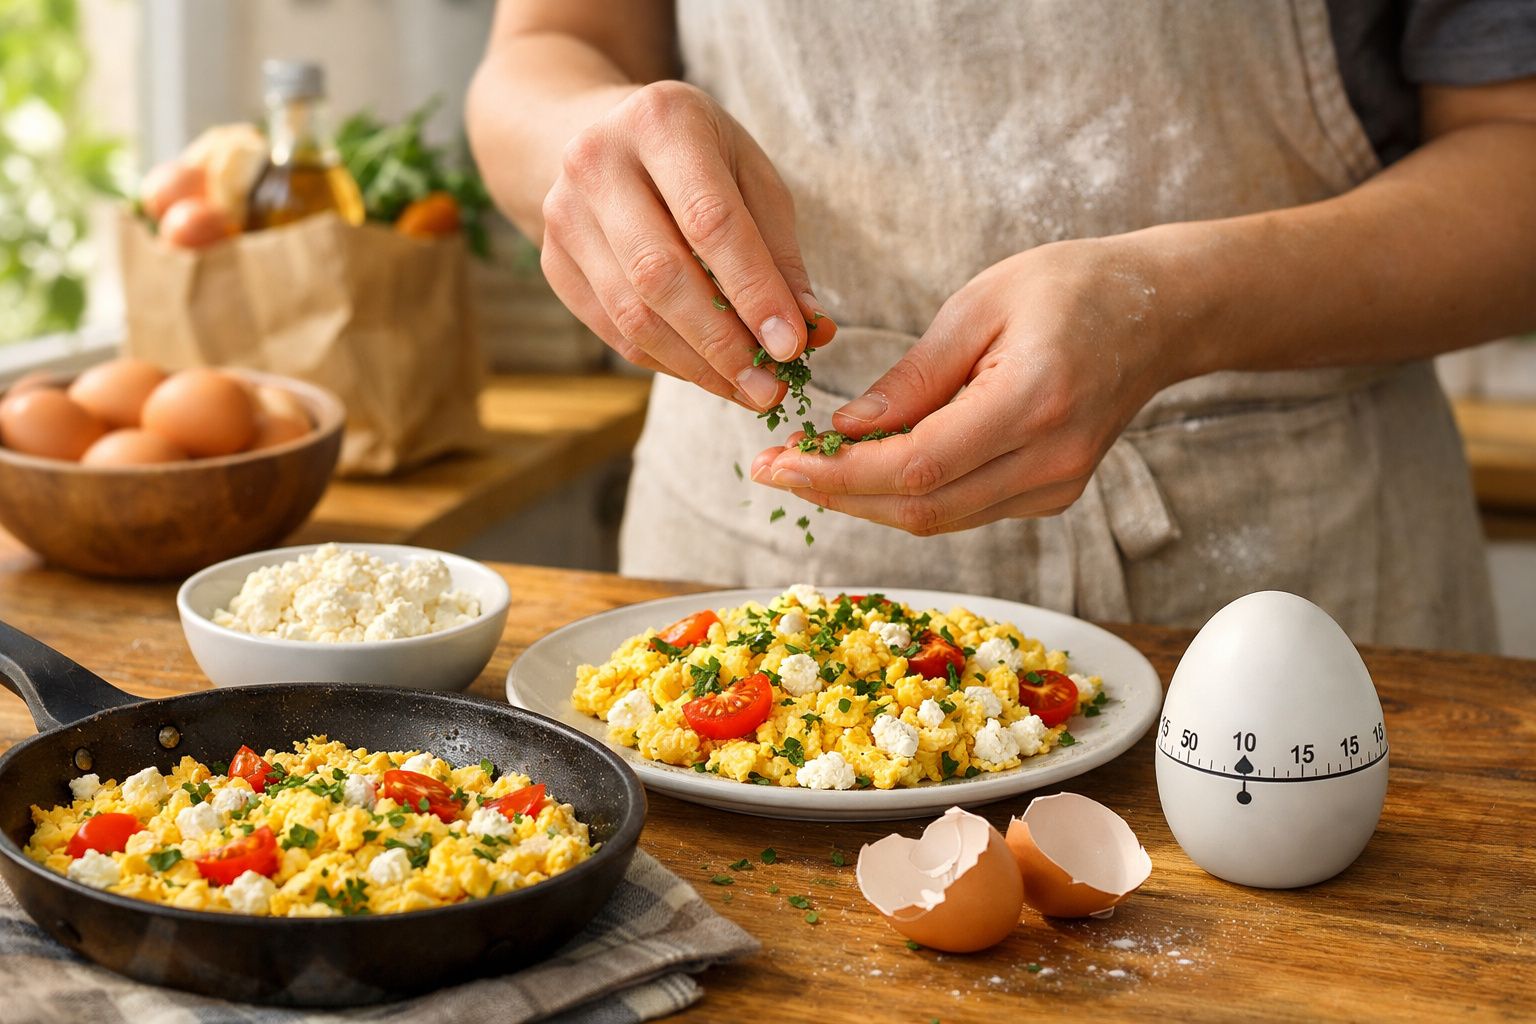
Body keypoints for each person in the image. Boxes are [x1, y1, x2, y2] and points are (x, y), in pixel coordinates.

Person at [466, 1, 1536, 651]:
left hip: (1288, 562)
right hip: (748, 547)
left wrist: (1171, 302)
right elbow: (550, 42)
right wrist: (585, 138)